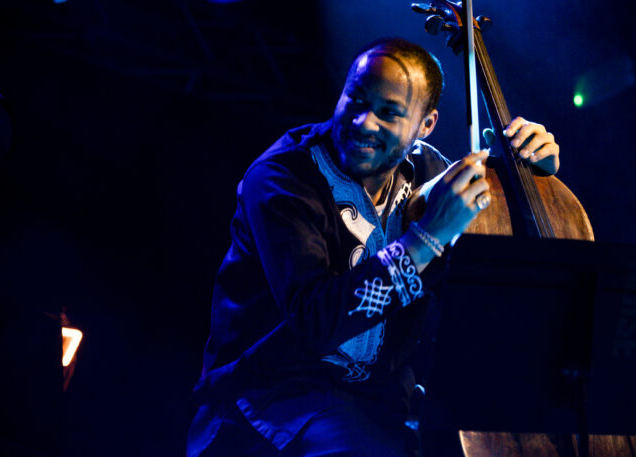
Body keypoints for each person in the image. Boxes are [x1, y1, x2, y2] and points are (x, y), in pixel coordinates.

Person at [186, 37, 560, 457]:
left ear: (426, 125)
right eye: (356, 100)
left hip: (378, 406)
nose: (364, 122)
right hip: (270, 399)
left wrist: (532, 176)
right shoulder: (281, 180)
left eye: (389, 113)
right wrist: (426, 238)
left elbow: (499, 290)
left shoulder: (430, 176)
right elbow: (318, 324)